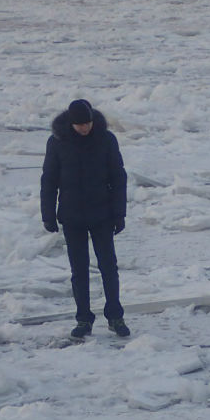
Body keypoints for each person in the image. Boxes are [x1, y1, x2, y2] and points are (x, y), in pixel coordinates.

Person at [40, 99, 130, 339]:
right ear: (71, 123)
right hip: (72, 216)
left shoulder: (106, 140)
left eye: (87, 123)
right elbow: (49, 179)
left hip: (102, 214)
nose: (84, 128)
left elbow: (119, 177)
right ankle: (83, 319)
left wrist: (119, 213)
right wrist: (47, 214)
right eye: (80, 125)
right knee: (78, 270)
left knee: (108, 267)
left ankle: (115, 316)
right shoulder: (58, 142)